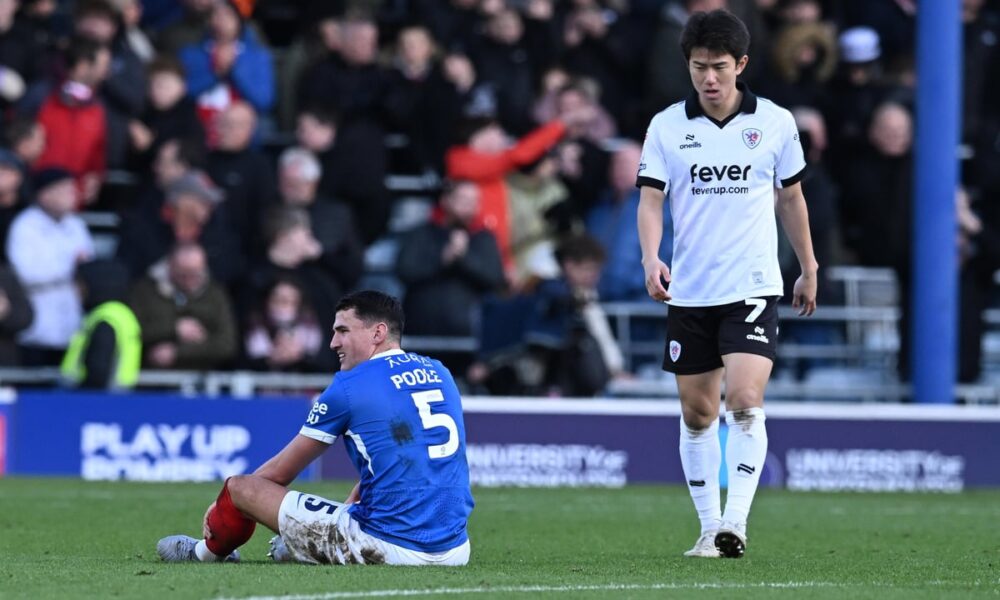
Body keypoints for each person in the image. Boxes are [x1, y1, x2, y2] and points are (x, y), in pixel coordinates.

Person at [636, 9, 817, 559]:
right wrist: (651, 258)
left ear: (740, 64)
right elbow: (650, 199)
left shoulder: (777, 123)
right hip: (690, 291)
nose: (708, 79)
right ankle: (707, 527)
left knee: (743, 398)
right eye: (697, 68)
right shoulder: (668, 126)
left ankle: (734, 522)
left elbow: (791, 197)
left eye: (718, 67)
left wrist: (808, 266)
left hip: (752, 285)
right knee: (698, 413)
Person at [156, 290, 474, 566]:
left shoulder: (349, 385)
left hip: (389, 545)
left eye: (343, 331)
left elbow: (278, 474)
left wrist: (224, 503)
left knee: (241, 487)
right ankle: (305, 544)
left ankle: (204, 553)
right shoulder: (440, 372)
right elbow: (394, 465)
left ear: (378, 333)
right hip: (456, 547)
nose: (333, 342)